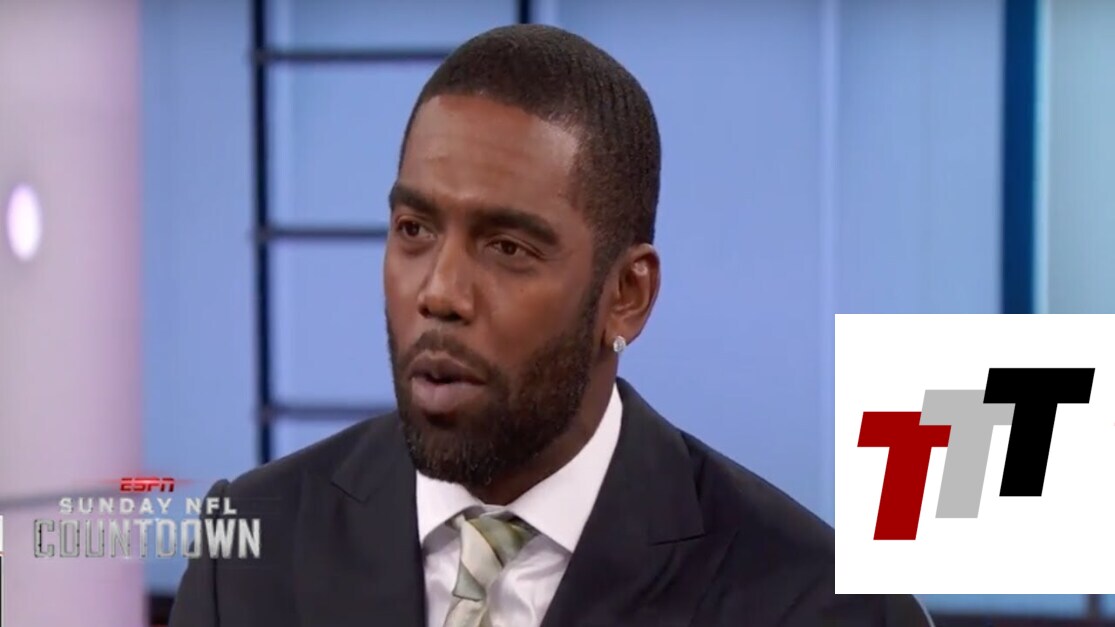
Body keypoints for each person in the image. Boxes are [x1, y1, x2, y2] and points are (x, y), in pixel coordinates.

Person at [168, 24, 932, 627]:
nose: (440, 292)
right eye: (414, 230)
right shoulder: (249, 555)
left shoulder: (818, 603)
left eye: (507, 247)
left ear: (626, 295)